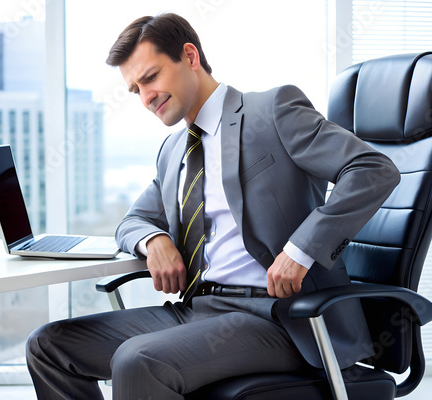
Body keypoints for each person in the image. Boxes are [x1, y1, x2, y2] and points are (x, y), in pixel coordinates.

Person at [26, 13, 400, 399]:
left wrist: (301, 250)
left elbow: (372, 169)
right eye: (135, 90)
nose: (146, 97)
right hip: (199, 311)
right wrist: (154, 240)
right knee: (50, 346)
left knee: (138, 361)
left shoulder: (272, 111)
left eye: (150, 77)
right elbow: (133, 220)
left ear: (189, 56)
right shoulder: (174, 152)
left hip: (280, 318)